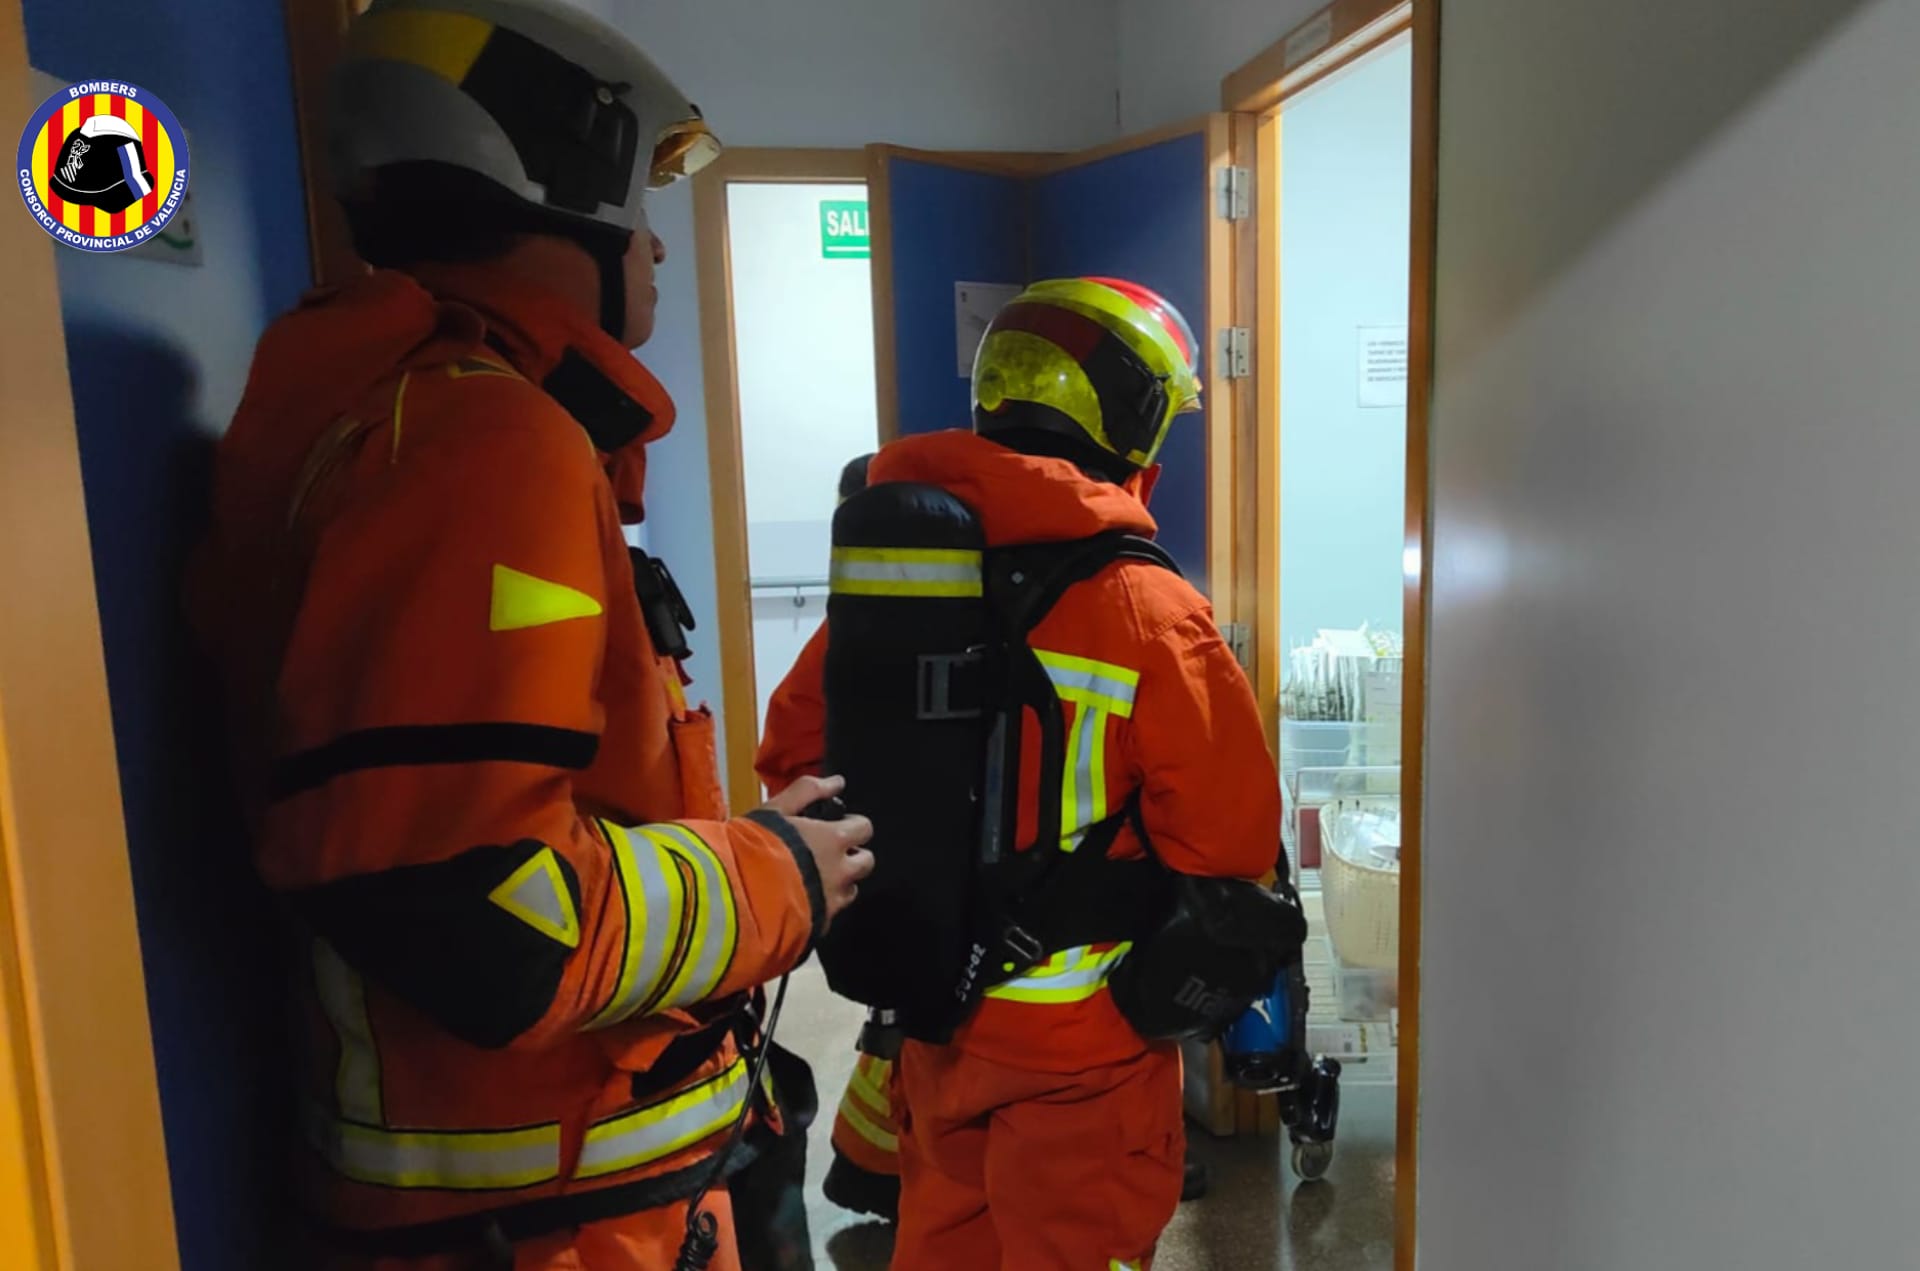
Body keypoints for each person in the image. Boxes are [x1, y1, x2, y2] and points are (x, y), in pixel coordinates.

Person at [188, 2, 873, 1268]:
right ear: (560, 183)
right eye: (641, 207)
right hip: (554, 1218)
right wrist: (777, 872)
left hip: (500, 1195)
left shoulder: (369, 416)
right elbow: (486, 915)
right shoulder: (488, 447)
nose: (657, 251)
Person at [767, 279, 1281, 1268]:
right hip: (1083, 1041)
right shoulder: (1144, 603)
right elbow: (1229, 839)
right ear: (1133, 424)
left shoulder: (902, 583)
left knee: (946, 1241)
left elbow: (793, 754)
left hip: (932, 1007)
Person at [756, 453, 906, 1224]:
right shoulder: (860, 630)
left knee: (898, 1015)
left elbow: (781, 745)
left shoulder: (848, 628)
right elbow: (787, 748)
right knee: (910, 1018)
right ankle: (876, 1165)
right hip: (872, 850)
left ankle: (871, 1164)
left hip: (859, 846)